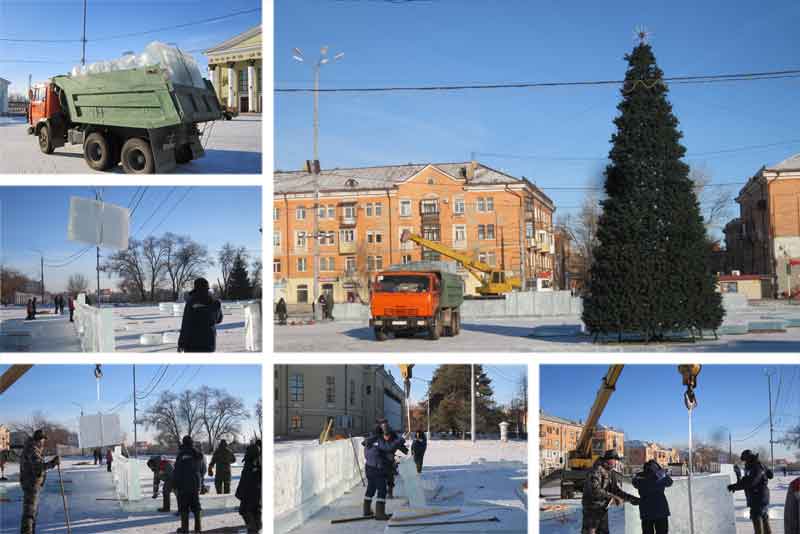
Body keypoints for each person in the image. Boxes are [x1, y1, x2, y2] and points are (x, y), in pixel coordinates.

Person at [582, 450, 640, 534]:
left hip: (602, 510)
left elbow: (616, 491)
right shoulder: (595, 470)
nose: (616, 462)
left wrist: (632, 499)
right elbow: (595, 491)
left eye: (616, 460)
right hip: (592, 511)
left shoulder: (611, 472)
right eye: (614, 460)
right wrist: (613, 497)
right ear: (607, 460)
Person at [19, 430, 60, 534]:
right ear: (39, 439)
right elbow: (38, 468)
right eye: (43, 440)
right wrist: (53, 463)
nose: (44, 442)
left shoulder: (34, 448)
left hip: (32, 484)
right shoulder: (32, 449)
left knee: (32, 513)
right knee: (29, 513)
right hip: (30, 484)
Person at [362, 425, 405, 520]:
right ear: (381, 434)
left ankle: (366, 510)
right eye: (386, 434)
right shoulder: (379, 441)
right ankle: (380, 513)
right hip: (377, 469)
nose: (387, 437)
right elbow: (388, 447)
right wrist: (399, 440)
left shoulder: (369, 440)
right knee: (382, 490)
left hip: (369, 468)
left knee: (371, 489)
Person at [728, 450, 773, 534]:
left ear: (748, 458)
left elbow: (750, 482)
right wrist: (736, 485)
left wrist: (735, 486)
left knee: (757, 518)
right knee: (764, 518)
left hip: (758, 497)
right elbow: (770, 475)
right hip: (762, 497)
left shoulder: (756, 467)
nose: (744, 462)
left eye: (745, 460)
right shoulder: (758, 465)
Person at [178, 278, 223, 353]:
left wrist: (181, 343)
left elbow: (186, 324)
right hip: (209, 343)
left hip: (191, 344)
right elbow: (218, 320)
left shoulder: (191, 302)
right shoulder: (214, 302)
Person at [173, 435, 204, 533]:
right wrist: (199, 481)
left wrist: (175, 485)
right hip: (195, 484)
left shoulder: (181, 455)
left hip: (183, 485)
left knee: (184, 507)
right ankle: (198, 529)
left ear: (183, 443)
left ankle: (185, 529)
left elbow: (177, 472)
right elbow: (203, 470)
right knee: (196, 506)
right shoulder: (198, 454)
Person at [632, 460, 673, 534]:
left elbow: (635, 482)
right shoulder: (659, 476)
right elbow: (669, 482)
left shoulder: (640, 476)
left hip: (646, 511)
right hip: (661, 511)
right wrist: (660, 474)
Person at [236, 440, 262, 533]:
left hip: (252, 493)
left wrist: (239, 493)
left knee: (248, 511)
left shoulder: (253, 463)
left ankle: (255, 528)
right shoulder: (251, 462)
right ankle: (255, 527)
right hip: (251, 492)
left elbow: (245, 479)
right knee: (248, 511)